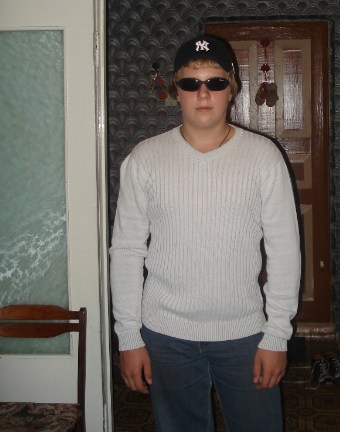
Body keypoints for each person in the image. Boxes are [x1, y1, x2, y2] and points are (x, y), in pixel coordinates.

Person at [110, 35, 301, 431]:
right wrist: (128, 336)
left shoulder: (263, 158)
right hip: (165, 336)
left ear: (231, 88)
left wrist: (276, 335)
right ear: (175, 91)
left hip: (246, 335)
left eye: (214, 82)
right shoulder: (144, 159)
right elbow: (126, 251)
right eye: (190, 82)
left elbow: (284, 249)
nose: (203, 93)